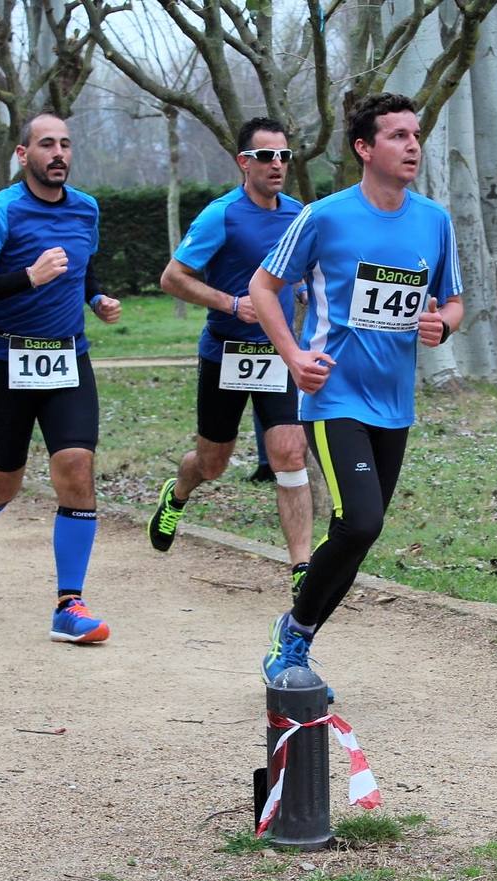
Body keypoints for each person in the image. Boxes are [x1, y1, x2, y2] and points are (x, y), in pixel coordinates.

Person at [249, 92, 464, 697]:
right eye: (397, 135)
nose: (413, 145)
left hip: (394, 404)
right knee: (361, 520)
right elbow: (263, 289)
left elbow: (454, 302)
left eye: (416, 134)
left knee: (359, 529)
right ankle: (291, 639)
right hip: (333, 396)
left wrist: (443, 323)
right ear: (364, 148)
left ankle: (300, 622)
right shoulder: (323, 217)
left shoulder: (433, 221)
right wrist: (293, 356)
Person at [0, 112, 122, 644]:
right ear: (24, 155)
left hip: (67, 358)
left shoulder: (86, 209)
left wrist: (95, 297)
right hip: (3, 360)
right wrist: (29, 276)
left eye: (66, 144)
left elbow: (82, 265)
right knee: (5, 482)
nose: (59, 153)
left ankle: (69, 604)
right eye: (47, 144)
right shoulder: (2, 210)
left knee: (76, 466)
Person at [148, 117, 313, 601]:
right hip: (226, 353)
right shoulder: (221, 215)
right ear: (245, 162)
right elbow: (172, 277)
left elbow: (298, 269)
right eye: (267, 156)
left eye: (284, 155)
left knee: (289, 452)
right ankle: (176, 495)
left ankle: (302, 568)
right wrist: (230, 303)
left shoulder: (300, 215)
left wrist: (299, 287)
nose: (277, 164)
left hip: (278, 352)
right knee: (213, 462)